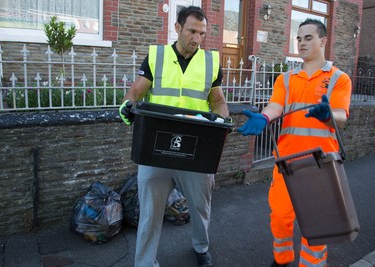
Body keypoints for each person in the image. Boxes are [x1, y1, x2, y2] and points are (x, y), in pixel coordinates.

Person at [119, 5, 229, 267]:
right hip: (156, 148)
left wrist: (223, 121)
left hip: (197, 149)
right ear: (178, 28)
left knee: (201, 206)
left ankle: (201, 247)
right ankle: (145, 262)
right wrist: (126, 105)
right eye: (192, 31)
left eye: (202, 33)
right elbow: (135, 91)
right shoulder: (156, 56)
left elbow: (218, 100)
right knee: (150, 212)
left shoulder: (211, 61)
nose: (197, 39)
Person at [238, 19, 352, 267]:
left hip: (321, 164)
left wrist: (330, 115)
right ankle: (282, 260)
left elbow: (342, 115)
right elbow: (276, 105)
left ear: (322, 41)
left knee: (318, 222)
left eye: (308, 38)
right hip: (287, 163)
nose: (301, 43)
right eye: (298, 38)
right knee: (279, 217)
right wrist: (265, 116)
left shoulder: (339, 79)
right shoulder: (286, 79)